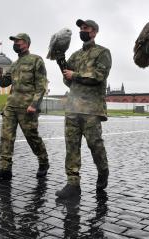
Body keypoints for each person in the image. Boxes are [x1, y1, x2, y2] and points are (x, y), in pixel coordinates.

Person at [55, 19, 112, 199]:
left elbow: (98, 76)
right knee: (71, 146)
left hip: (91, 109)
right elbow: (67, 80)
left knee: (95, 145)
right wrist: (62, 65)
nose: (82, 30)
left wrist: (75, 75)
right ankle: (73, 184)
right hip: (73, 107)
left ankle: (103, 170)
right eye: (80, 28)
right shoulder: (75, 55)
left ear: (94, 32)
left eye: (85, 28)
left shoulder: (103, 53)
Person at [0, 33, 49, 181]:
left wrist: (34, 104)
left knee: (32, 137)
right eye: (14, 42)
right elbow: (4, 83)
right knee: (6, 137)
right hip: (11, 106)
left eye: (18, 42)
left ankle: (43, 161)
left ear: (26, 43)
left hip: (27, 107)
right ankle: (5, 168)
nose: (15, 44)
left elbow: (42, 85)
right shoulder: (14, 64)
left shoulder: (36, 60)